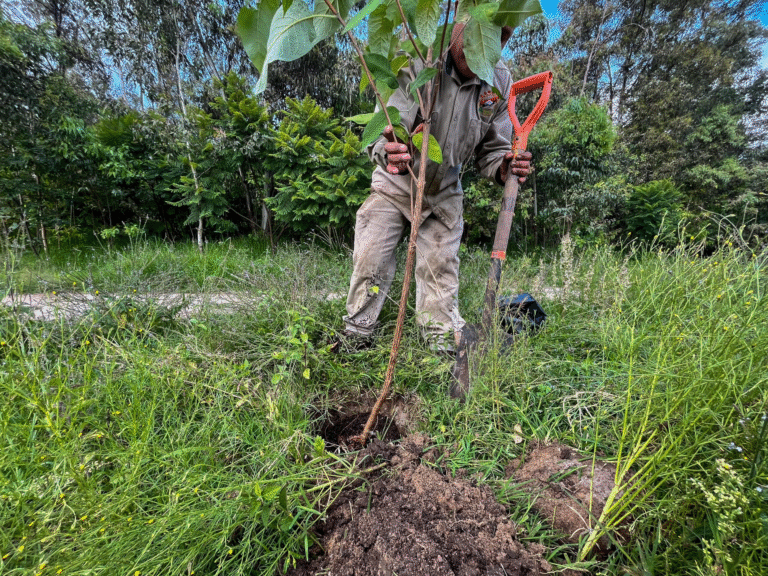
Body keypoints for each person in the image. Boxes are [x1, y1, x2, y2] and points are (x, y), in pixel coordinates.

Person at [333, 23, 533, 353]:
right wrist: (390, 149)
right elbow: (382, 130)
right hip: (396, 182)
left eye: (503, 35)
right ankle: (356, 334)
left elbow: (492, 150)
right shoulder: (414, 58)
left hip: (444, 190)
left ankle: (442, 347)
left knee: (440, 272)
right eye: (478, 31)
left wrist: (504, 167)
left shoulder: (498, 82)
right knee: (371, 261)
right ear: (457, 21)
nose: (489, 43)